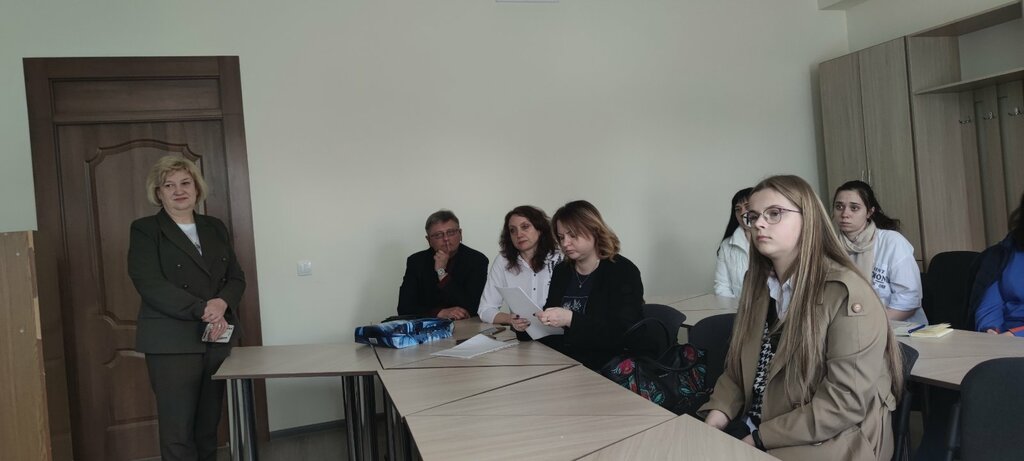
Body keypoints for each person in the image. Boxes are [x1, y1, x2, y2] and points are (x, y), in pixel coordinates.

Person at [700, 175, 901, 461]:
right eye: (753, 216)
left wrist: (757, 438)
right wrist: (714, 421)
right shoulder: (756, 285)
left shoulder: (846, 293)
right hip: (763, 424)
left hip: (834, 439)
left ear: (809, 219)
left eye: (774, 213)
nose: (758, 224)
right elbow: (737, 370)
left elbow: (842, 404)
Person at [127, 155, 246, 461]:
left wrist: (222, 302)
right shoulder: (145, 229)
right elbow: (149, 283)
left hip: (216, 338)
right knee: (177, 432)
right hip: (171, 343)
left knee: (208, 427)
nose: (178, 190)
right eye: (169, 185)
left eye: (185, 183)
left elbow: (236, 277)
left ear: (196, 188)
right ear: (158, 193)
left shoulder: (214, 227)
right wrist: (203, 309)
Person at [510, 200, 644, 371]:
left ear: (594, 230)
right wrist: (525, 327)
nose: (565, 243)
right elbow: (551, 329)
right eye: (561, 237)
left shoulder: (622, 270)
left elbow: (623, 334)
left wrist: (570, 319)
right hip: (566, 360)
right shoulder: (562, 271)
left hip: (605, 364)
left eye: (573, 235)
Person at [832, 180, 925, 324]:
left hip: (897, 327)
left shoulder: (892, 242)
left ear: (869, 212)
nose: (845, 214)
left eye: (854, 208)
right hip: (850, 326)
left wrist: (870, 325)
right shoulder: (830, 247)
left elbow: (908, 300)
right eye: (839, 207)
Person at [477, 205, 563, 325]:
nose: (519, 234)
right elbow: (485, 309)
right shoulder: (503, 261)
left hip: (558, 331)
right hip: (521, 332)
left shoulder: (560, 259)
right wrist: (510, 319)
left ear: (540, 229)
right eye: (513, 230)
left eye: (525, 227)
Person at [397, 210, 488, 319]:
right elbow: (404, 308)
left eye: (451, 232)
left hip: (466, 324)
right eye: (438, 235)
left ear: (460, 234)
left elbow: (474, 306)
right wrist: (439, 313)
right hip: (428, 325)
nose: (446, 239)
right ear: (428, 240)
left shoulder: (477, 260)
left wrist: (442, 273)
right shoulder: (416, 262)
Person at [973, 190, 1024, 336]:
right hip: (1002, 337)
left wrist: (1015, 334)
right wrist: (990, 329)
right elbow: (991, 304)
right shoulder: (1005, 252)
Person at [714, 187, 753, 297]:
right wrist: (738, 307)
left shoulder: (774, 241)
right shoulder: (726, 245)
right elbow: (722, 286)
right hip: (736, 306)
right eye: (738, 209)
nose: (742, 213)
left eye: (748, 207)